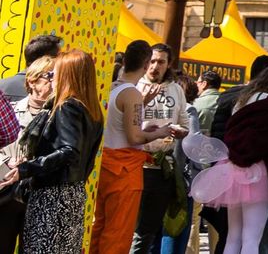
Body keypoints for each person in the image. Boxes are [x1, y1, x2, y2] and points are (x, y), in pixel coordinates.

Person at [89, 40, 181, 254]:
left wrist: (143, 103)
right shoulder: (131, 93)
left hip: (106, 164)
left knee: (100, 226)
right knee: (118, 230)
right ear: (147, 63)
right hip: (123, 169)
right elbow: (134, 136)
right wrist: (162, 131)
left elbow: (117, 123)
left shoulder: (112, 87)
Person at [191, 62, 268, 254]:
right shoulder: (266, 101)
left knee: (233, 237)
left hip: (232, 170)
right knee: (252, 239)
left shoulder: (242, 99)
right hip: (258, 173)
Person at [9, 49, 103, 253]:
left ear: (68, 75)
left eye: (55, 73)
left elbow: (69, 151)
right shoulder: (92, 110)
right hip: (73, 193)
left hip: (53, 195)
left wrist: (27, 168)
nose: (52, 78)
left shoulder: (67, 107)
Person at [133, 42, 190, 254]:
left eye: (161, 62)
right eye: (152, 61)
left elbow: (185, 122)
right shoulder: (135, 86)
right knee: (130, 226)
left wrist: (182, 131)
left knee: (148, 230)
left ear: (168, 65)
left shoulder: (176, 90)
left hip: (163, 166)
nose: (155, 66)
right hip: (136, 163)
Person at [0, 56, 53, 252]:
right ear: (32, 81)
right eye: (49, 77)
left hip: (38, 195)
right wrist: (8, 161)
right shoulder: (11, 111)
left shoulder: (57, 116)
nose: (55, 83)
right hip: (7, 194)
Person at [194, 71, 224, 136]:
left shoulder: (195, 104)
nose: (196, 85)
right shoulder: (226, 102)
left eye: (198, 82)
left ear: (204, 84)